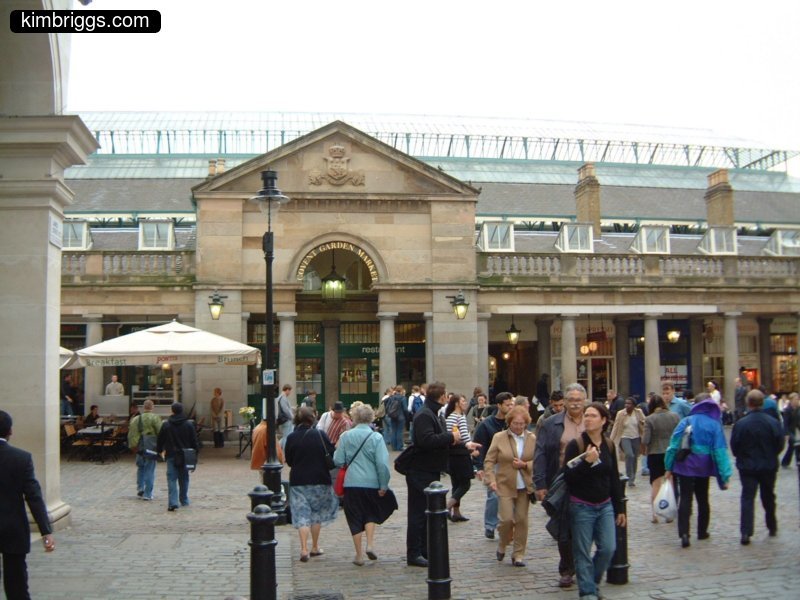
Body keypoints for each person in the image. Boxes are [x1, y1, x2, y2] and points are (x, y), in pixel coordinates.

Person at [405, 382, 479, 567]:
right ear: (440, 397)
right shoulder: (424, 415)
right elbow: (426, 440)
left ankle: (424, 550)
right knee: (418, 513)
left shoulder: (433, 413)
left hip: (430, 470)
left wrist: (465, 445)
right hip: (420, 471)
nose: (447, 398)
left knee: (426, 513)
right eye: (445, 395)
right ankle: (414, 553)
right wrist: (450, 437)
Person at [564, 402, 626, 600]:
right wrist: (586, 463)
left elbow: (614, 478)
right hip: (581, 505)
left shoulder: (608, 445)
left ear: (604, 420)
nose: (588, 419)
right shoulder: (577, 445)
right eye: (586, 416)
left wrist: (620, 508)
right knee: (582, 552)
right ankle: (588, 592)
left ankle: (591, 581)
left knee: (608, 548)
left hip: (605, 504)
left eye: (593, 416)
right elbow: (568, 477)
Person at [534, 382, 587, 589]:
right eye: (571, 400)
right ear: (564, 402)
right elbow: (540, 453)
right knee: (563, 528)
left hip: (588, 481)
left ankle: (581, 564)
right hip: (561, 481)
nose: (575, 404)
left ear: (585, 401)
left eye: (578, 400)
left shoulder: (593, 420)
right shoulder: (551, 424)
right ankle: (566, 569)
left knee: (584, 526)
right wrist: (540, 483)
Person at [664, 392, 732, 547]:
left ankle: (684, 534)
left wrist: (668, 467)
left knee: (685, 498)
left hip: (684, 465)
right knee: (703, 498)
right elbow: (720, 451)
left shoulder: (686, 421)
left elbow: (673, 445)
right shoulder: (715, 425)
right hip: (704, 466)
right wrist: (725, 475)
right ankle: (702, 531)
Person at [0, 410, 55, 600]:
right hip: (13, 528)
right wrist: (45, 530)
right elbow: (33, 496)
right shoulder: (21, 458)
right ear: (10, 431)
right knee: (17, 587)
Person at [334, 403, 394, 566]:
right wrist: (383, 485)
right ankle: (370, 544)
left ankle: (359, 554)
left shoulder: (346, 436)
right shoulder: (376, 437)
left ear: (354, 417)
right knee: (369, 513)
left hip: (352, 483)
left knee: (354, 517)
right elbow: (382, 464)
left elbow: (338, 460)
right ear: (371, 418)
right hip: (371, 483)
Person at [284, 406, 339, 562]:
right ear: (312, 418)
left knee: (301, 514)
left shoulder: (292, 437)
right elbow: (331, 454)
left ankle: (303, 548)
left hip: (298, 480)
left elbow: (289, 460)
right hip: (319, 478)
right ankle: (315, 546)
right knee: (316, 515)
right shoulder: (320, 435)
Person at [730, 389, 784, 545]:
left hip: (747, 466)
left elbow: (734, 445)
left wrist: (741, 456)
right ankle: (772, 525)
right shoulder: (773, 422)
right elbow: (779, 444)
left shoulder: (741, 423)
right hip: (768, 465)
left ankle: (746, 532)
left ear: (748, 403)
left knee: (747, 497)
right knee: (768, 496)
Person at [483, 405, 536, 567]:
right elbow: (489, 460)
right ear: (509, 423)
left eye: (522, 424)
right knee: (506, 520)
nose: (518, 427)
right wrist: (490, 479)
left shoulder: (532, 439)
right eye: (515, 424)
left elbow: (540, 461)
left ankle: (518, 554)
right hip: (504, 484)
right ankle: (502, 543)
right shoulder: (499, 437)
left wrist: (525, 465)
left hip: (524, 485)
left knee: (521, 520)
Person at [473, 391, 514, 540]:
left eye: (512, 404)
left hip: (511, 464)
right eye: (507, 405)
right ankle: (490, 525)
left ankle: (510, 524)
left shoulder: (513, 423)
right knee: (494, 496)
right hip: (493, 464)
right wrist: (479, 467)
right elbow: (479, 446)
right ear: (499, 405)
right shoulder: (487, 424)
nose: (511, 407)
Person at [642, 394, 680, 522]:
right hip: (671, 452)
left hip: (655, 453)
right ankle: (669, 513)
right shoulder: (675, 416)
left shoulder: (649, 419)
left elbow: (645, 440)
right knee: (670, 483)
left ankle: (655, 514)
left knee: (656, 484)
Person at [156, 402, 199, 512]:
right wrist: (195, 454)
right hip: (185, 455)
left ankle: (173, 502)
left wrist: (159, 450)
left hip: (171, 454)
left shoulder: (166, 424)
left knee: (171, 479)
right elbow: (194, 441)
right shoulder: (189, 424)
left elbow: (160, 439)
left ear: (172, 411)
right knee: (184, 478)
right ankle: (184, 499)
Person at [444, 393, 478, 522]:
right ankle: (447, 507)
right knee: (465, 484)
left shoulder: (452, 416)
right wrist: (470, 448)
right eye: (463, 401)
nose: (465, 403)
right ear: (457, 403)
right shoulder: (458, 416)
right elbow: (463, 436)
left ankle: (456, 512)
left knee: (456, 483)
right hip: (460, 454)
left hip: (453, 454)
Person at [127, 399, 163, 501]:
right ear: (152, 407)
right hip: (151, 446)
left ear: (143, 407)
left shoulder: (136, 419)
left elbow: (132, 434)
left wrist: (133, 446)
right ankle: (148, 493)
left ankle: (140, 487)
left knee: (140, 467)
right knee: (149, 469)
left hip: (140, 446)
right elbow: (160, 433)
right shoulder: (155, 418)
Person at [609, 396, 646, 486]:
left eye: (629, 403)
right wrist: (611, 440)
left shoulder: (638, 412)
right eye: (626, 403)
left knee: (635, 457)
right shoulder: (620, 413)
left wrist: (643, 424)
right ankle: (629, 476)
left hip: (636, 437)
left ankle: (632, 478)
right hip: (624, 437)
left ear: (634, 405)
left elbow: (645, 422)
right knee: (629, 455)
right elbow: (616, 427)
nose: (627, 405)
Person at [384, 385, 407, 451]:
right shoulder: (403, 398)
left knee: (394, 431)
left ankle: (393, 446)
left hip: (392, 416)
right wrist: (407, 416)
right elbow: (405, 409)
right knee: (399, 431)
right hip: (401, 416)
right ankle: (399, 446)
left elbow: (387, 407)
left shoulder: (391, 397)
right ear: (402, 390)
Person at [276, 384, 295, 449]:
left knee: (285, 436)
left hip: (283, 420)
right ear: (287, 390)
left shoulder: (279, 397)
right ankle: (284, 453)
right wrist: (292, 417)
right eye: (290, 391)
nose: (290, 393)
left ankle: (277, 449)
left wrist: (292, 408)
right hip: (286, 420)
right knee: (286, 437)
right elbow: (285, 409)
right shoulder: (283, 398)